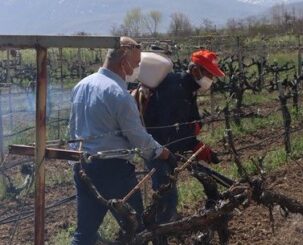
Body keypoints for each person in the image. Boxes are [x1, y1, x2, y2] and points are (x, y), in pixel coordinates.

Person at [68, 36, 175, 245]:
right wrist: (162, 152)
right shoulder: (118, 94)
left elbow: (72, 129)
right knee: (137, 230)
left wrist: (74, 163)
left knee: (84, 234)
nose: (136, 68)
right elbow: (137, 138)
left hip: (83, 168)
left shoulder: (81, 85)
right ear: (123, 60)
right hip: (114, 172)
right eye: (135, 63)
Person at [133, 49, 225, 226]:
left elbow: (186, 121)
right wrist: (195, 144)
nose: (211, 80)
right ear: (196, 70)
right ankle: (160, 231)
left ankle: (165, 225)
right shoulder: (176, 89)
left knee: (169, 192)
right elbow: (169, 131)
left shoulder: (187, 87)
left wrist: (194, 130)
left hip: (166, 146)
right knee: (167, 195)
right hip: (156, 147)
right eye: (210, 74)